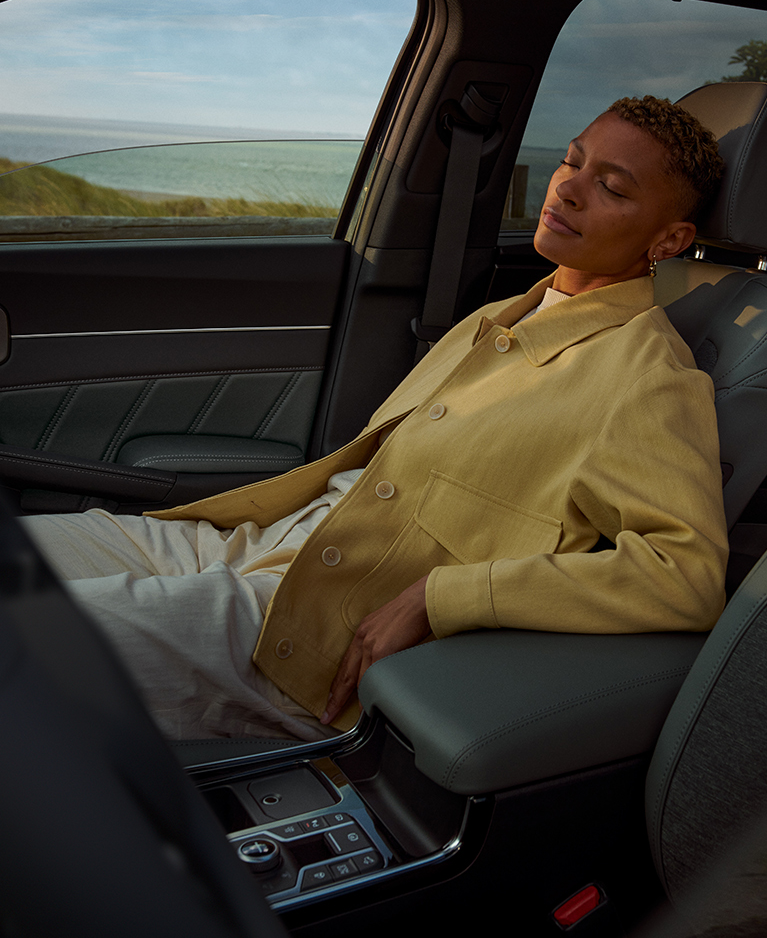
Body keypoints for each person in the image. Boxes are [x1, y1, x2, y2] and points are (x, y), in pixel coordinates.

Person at [22, 95, 729, 742]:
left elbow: (684, 576)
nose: (567, 189)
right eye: (572, 161)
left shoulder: (648, 376)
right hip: (246, 542)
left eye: (611, 188)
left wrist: (444, 596)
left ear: (668, 241)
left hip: (302, 625)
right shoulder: (500, 316)